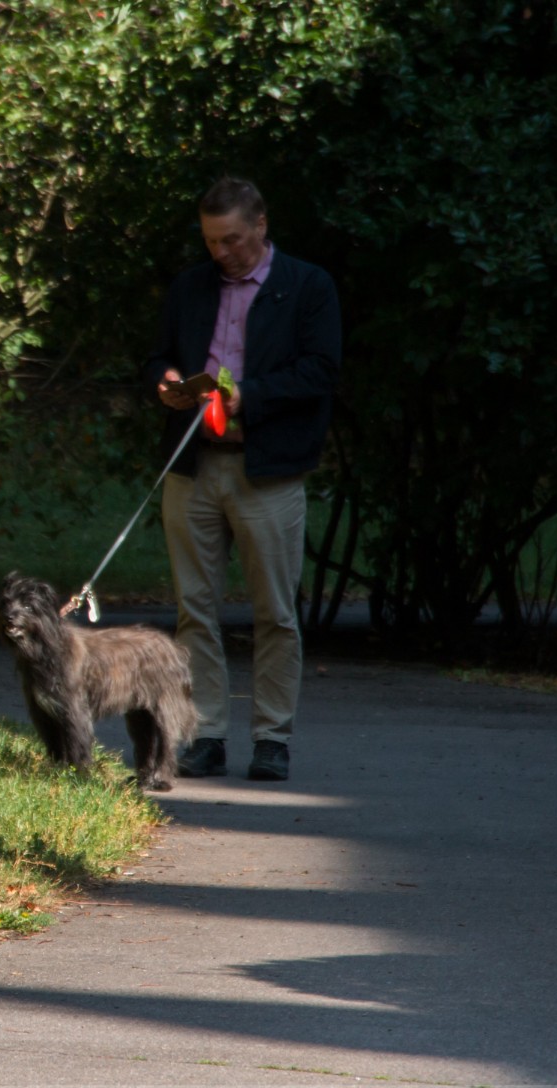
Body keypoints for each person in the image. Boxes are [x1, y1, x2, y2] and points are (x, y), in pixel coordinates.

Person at [143, 178, 341, 782]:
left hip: (269, 469)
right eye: (211, 241)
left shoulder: (308, 286)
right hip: (193, 464)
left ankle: (272, 738)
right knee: (194, 609)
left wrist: (243, 397)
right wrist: (169, 383)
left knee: (275, 613)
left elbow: (319, 372)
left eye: (232, 239)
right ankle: (205, 735)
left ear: (260, 226)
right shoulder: (189, 286)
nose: (221, 252)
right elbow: (156, 357)